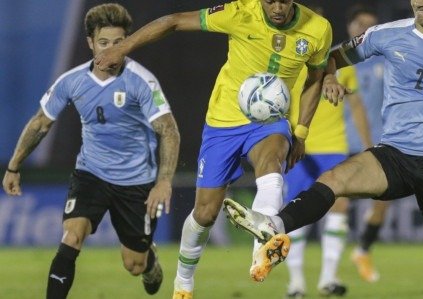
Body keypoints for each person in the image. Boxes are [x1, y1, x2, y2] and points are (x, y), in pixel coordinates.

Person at [223, 0, 423, 298]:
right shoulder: (386, 34)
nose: (418, 3)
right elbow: (331, 56)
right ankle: (273, 226)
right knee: (334, 180)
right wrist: (330, 76)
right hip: (395, 154)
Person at [94, 1, 332, 298]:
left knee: (271, 161)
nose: (277, 7)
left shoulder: (318, 29)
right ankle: (183, 282)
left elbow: (316, 76)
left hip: (271, 121)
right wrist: (121, 48)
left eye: (283, 0)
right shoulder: (239, 12)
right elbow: (174, 21)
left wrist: (300, 132)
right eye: (270, 1)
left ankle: (263, 247)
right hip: (224, 123)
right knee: (205, 213)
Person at [1, 3, 180, 298]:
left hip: (136, 182)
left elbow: (168, 130)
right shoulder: (72, 81)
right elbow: (40, 123)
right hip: (91, 174)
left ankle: (149, 260)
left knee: (134, 265)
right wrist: (14, 166)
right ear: (90, 43)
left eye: (119, 42)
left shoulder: (141, 81)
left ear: (128, 42)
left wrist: (163, 181)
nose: (111, 49)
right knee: (71, 237)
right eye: (104, 42)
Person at [283, 49, 371, 298]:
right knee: (295, 211)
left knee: (340, 207)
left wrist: (368, 147)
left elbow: (357, 107)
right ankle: (296, 283)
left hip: (334, 147)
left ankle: (328, 278)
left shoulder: (343, 68)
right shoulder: (290, 64)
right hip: (300, 148)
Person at [340, 4, 387, 283]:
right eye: (360, 25)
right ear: (349, 27)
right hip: (341, 141)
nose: (365, 31)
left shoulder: (384, 60)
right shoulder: (337, 60)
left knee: (384, 202)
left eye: (371, 26)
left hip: (380, 142)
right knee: (339, 203)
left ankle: (362, 251)